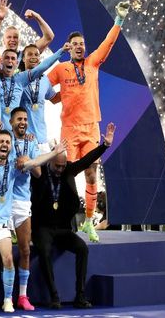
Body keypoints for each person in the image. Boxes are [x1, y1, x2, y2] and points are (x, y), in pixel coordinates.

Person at [47, 1, 130, 242]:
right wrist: (54, 98)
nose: (80, 48)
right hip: (69, 129)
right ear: (69, 48)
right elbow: (43, 86)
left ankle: (89, 222)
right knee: (66, 175)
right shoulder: (61, 69)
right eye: (75, 45)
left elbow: (108, 44)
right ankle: (63, 220)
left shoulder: (93, 63)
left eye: (82, 44)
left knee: (92, 175)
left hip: (91, 126)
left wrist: (119, 21)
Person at [0, 130, 66, 312]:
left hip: (0, 221)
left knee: (8, 258)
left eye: (8, 142)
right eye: (1, 141)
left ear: (10, 147)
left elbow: (35, 163)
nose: (5, 144)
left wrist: (54, 152)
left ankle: (7, 300)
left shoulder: (14, 167)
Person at [30, 123, 116, 309]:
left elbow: (86, 160)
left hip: (63, 228)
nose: (60, 169)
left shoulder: (69, 169)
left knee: (82, 249)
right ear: (50, 161)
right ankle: (54, 296)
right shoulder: (40, 171)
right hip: (42, 227)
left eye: (62, 166)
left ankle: (80, 295)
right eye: (57, 166)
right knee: (44, 251)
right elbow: (29, 163)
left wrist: (105, 145)